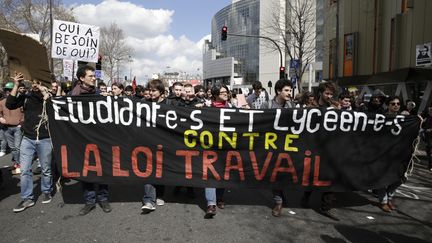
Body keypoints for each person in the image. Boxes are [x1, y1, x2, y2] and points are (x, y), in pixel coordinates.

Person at [7, 73, 53, 213]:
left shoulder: (48, 97)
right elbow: (10, 104)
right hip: (28, 139)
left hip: (45, 139)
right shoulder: (27, 97)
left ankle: (46, 190)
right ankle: (27, 198)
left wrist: (45, 92)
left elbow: (54, 107)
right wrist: (16, 84)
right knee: (25, 169)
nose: (34, 85)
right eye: (33, 82)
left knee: (45, 168)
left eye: (38, 82)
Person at [73, 65, 112, 215]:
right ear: (81, 78)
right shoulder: (73, 95)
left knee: (103, 169)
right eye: (90, 76)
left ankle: (103, 198)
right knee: (86, 170)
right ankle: (89, 201)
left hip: (100, 139)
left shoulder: (98, 94)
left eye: (94, 76)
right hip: (81, 139)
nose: (94, 78)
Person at [301, 81, 340, 221]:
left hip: (329, 148)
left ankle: (326, 206)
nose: (329, 96)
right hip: (313, 147)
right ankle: (306, 196)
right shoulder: (311, 108)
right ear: (320, 93)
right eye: (327, 93)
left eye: (331, 94)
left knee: (329, 177)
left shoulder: (335, 107)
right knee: (312, 175)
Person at [259, 79, 295, 217]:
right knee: (275, 173)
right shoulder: (267, 105)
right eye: (286, 90)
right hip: (271, 146)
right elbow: (259, 123)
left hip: (287, 146)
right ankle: (278, 202)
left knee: (284, 173)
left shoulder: (291, 105)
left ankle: (281, 195)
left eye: (290, 90)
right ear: (278, 91)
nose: (289, 93)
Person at [204, 83, 230, 219]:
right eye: (222, 92)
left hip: (226, 145)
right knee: (210, 173)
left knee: (222, 173)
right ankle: (211, 203)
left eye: (226, 92)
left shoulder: (232, 108)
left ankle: (219, 197)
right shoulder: (207, 109)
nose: (226, 94)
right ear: (215, 96)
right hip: (210, 146)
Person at [141, 79, 167, 213]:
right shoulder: (143, 104)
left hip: (164, 143)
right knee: (149, 170)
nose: (150, 93)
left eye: (154, 90)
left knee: (161, 170)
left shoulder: (170, 104)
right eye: (149, 90)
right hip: (148, 143)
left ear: (161, 92)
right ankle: (149, 200)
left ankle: (160, 194)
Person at [376, 96, 404, 212]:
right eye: (393, 104)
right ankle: (383, 201)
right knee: (382, 178)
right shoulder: (382, 118)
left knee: (401, 177)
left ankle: (389, 196)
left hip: (399, 152)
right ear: (388, 105)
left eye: (398, 103)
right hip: (383, 152)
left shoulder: (404, 118)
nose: (396, 105)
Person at [0, 82, 24, 175]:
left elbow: (25, 113)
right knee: (12, 148)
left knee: (17, 147)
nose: (8, 92)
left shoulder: (20, 101)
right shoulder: (1, 102)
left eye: (10, 90)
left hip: (17, 127)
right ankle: (16, 163)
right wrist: (1, 118)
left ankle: (19, 165)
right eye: (7, 90)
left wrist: (21, 122)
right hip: (7, 128)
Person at [422, 106, 432, 171]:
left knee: (430, 151)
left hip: (431, 137)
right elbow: (423, 124)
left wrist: (430, 129)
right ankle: (429, 164)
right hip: (427, 136)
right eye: (429, 111)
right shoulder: (428, 117)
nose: (429, 112)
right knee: (428, 151)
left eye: (430, 111)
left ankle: (430, 165)